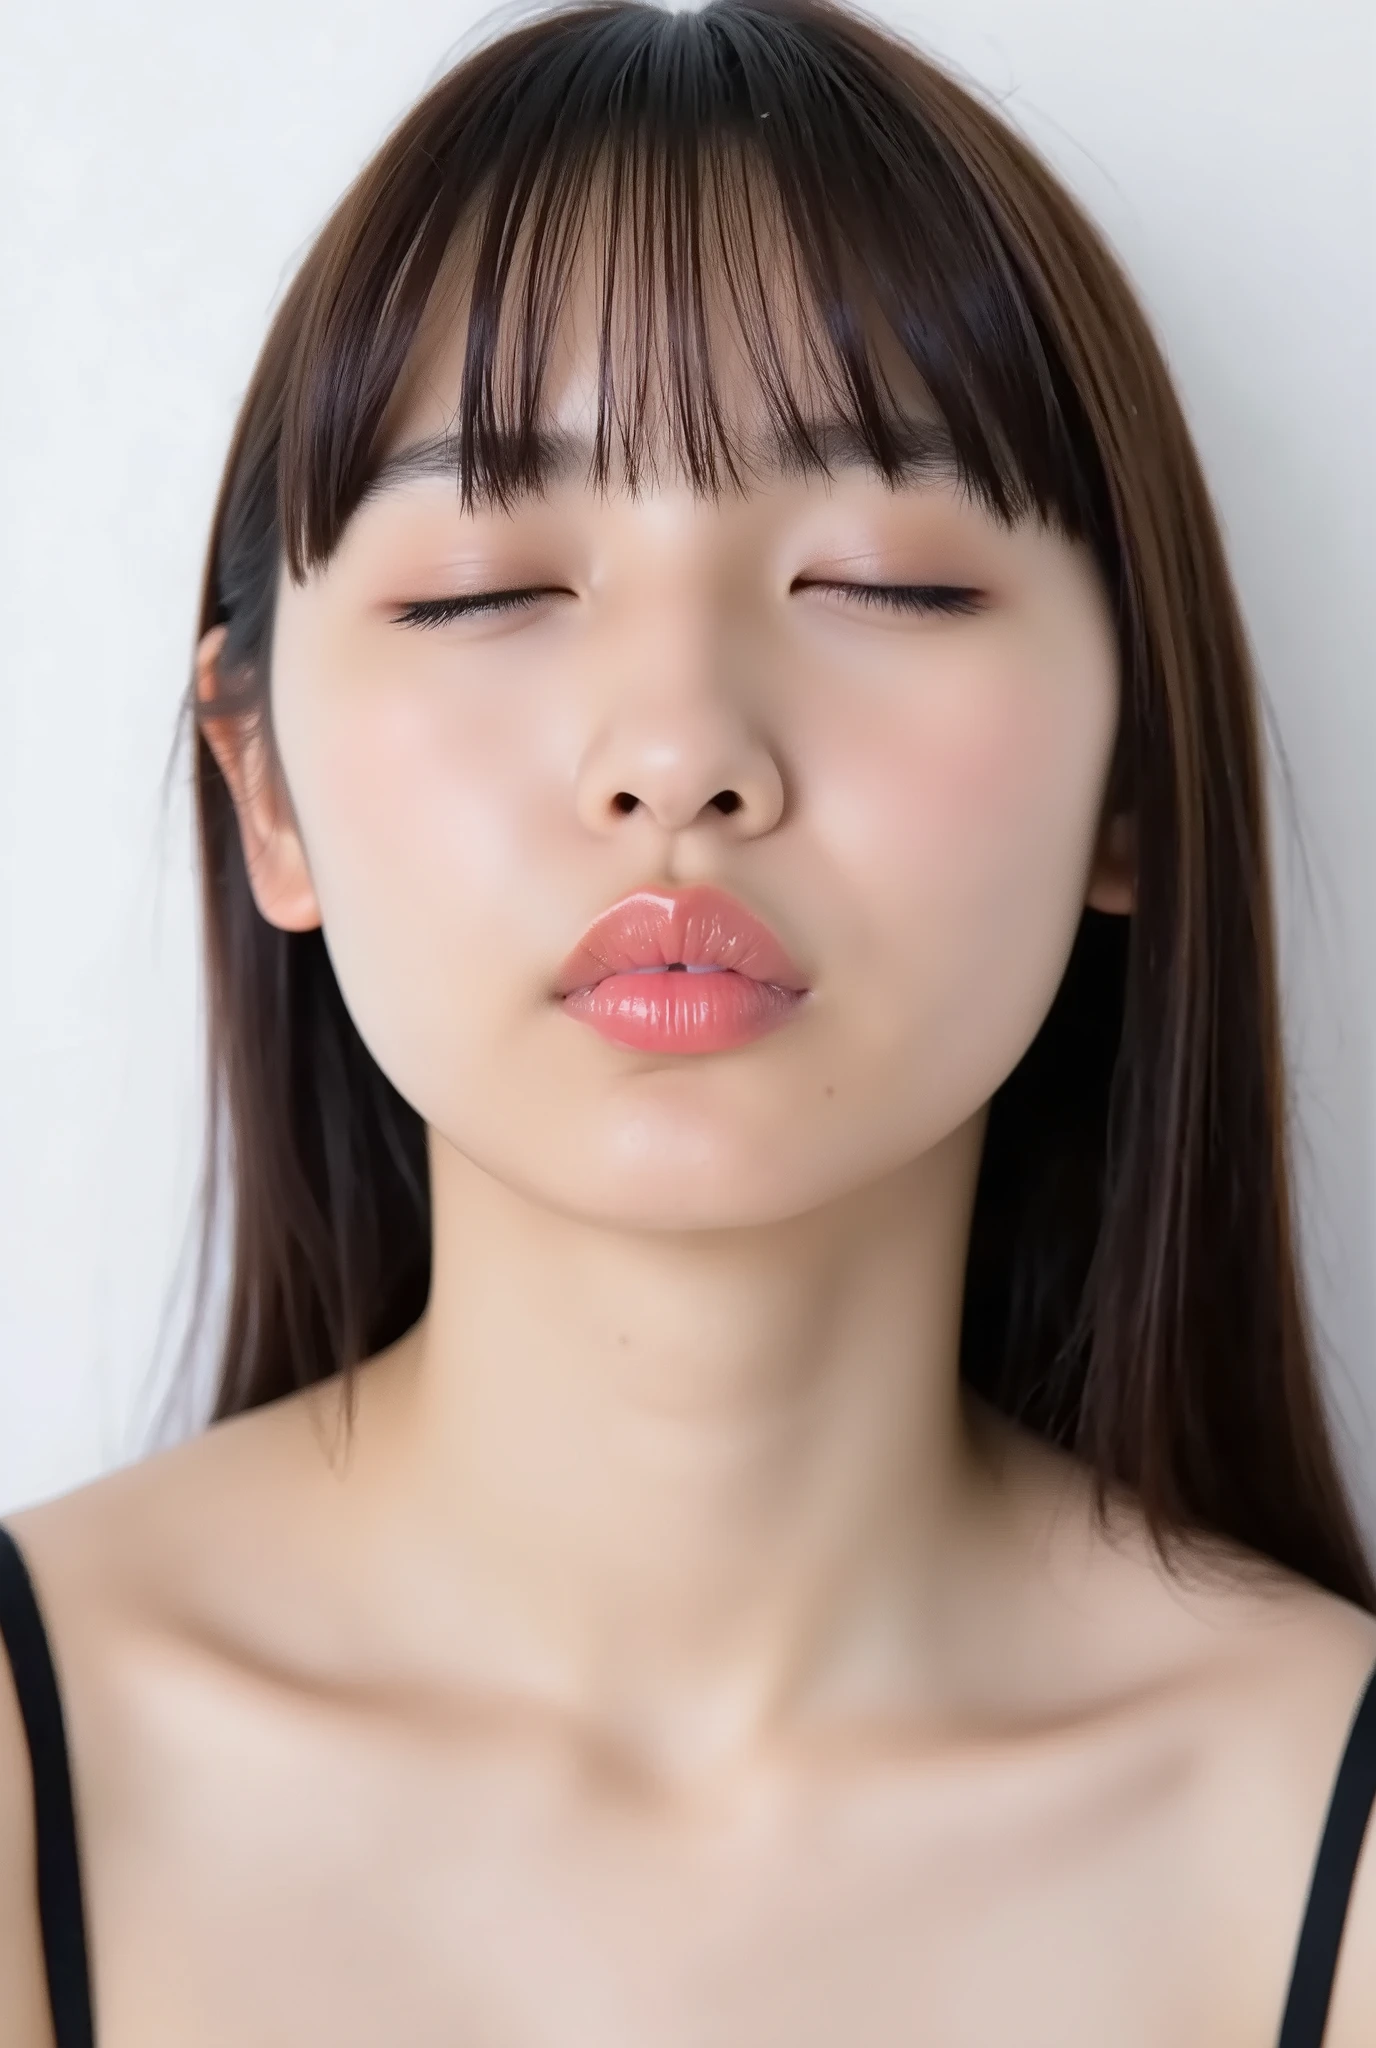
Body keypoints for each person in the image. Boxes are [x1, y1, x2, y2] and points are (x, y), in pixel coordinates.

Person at [3, 0, 1375, 2040]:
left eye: (884, 581)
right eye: (484, 588)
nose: (676, 752)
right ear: (263, 785)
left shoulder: (1319, 1826)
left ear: (1130, 780)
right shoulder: (34, 1761)